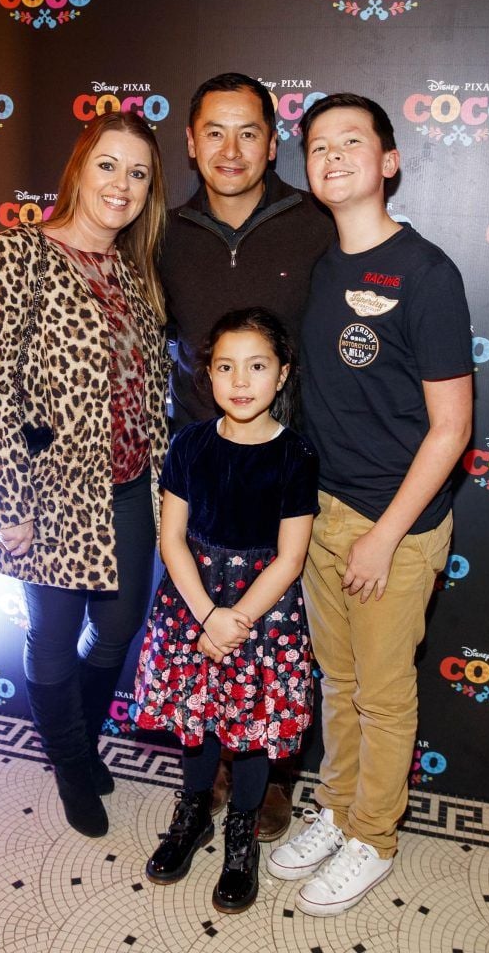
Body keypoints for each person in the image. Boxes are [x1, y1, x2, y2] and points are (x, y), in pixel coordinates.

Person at [268, 94, 473, 915]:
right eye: (318, 145)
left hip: (396, 524)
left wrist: (385, 537)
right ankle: (337, 808)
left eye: (353, 142)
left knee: (384, 696)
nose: (333, 155)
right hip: (321, 511)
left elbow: (452, 426)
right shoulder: (320, 266)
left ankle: (375, 838)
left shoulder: (426, 272)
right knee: (336, 680)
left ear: (388, 161)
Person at [0, 112, 170, 838]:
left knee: (117, 631)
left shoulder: (135, 269)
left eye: (138, 173)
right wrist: (10, 505)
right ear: (79, 168)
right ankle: (74, 764)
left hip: (131, 484)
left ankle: (75, 739)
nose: (122, 185)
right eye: (108, 165)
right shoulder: (16, 253)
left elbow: (145, 387)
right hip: (47, 492)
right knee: (53, 634)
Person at [159, 70, 335, 840]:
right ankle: (210, 775)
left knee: (278, 635)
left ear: (274, 141)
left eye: (249, 132)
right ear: (191, 143)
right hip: (202, 469)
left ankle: (268, 778)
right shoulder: (160, 232)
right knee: (206, 633)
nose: (232, 150)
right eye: (215, 133)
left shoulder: (316, 224)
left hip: (290, 468)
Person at [134, 307, 319, 913]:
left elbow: (290, 558)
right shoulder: (188, 444)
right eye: (226, 367)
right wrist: (207, 614)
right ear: (207, 377)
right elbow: (171, 537)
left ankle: (242, 836)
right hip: (192, 602)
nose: (241, 381)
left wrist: (235, 618)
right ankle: (193, 815)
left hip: (262, 612)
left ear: (282, 375)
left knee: (250, 725)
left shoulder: (295, 455)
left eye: (257, 366)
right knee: (199, 716)